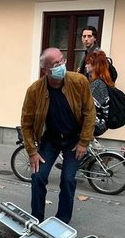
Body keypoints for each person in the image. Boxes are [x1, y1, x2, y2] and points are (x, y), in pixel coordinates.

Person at [20, 47, 96, 224]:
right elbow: (26, 123)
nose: (61, 65)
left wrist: (84, 141)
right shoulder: (34, 90)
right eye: (56, 64)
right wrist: (32, 151)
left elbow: (89, 113)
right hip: (51, 139)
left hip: (74, 139)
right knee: (38, 176)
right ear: (46, 70)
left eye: (62, 60)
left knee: (68, 179)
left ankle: (62, 221)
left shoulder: (79, 81)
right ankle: (37, 220)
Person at [84, 50, 113, 137]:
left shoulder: (98, 84)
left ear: (94, 66)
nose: (85, 66)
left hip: (97, 124)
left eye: (88, 63)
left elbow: (88, 107)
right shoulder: (98, 81)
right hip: (98, 121)